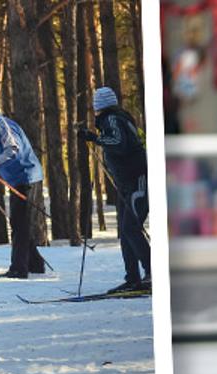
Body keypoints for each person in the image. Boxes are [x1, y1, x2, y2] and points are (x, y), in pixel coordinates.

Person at [78, 86, 151, 294]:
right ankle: (133, 278)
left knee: (130, 228)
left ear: (99, 106)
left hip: (139, 180)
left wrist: (93, 138)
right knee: (125, 231)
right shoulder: (114, 119)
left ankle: (151, 273)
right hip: (127, 184)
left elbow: (119, 143)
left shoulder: (112, 119)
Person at [0, 101, 46, 279]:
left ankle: (19, 269)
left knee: (19, 224)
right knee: (18, 223)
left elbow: (13, 150)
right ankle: (35, 264)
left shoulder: (2, 125)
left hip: (26, 177)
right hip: (17, 180)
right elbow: (2, 164)